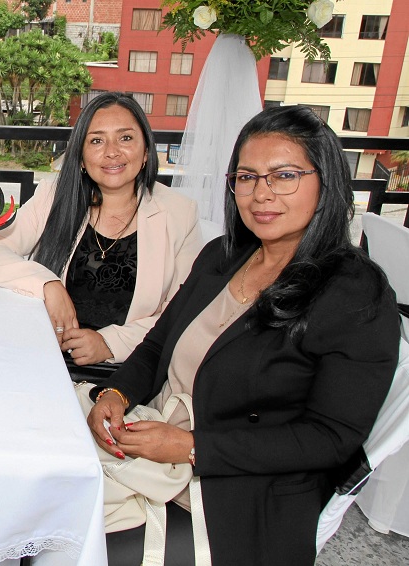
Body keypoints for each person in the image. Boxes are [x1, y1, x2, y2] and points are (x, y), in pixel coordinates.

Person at [86, 105, 401, 565]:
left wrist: (192, 448)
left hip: (241, 493)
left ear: (326, 182)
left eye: (284, 175)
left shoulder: (354, 294)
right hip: (154, 441)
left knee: (74, 541)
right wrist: (114, 392)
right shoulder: (224, 255)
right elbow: (158, 345)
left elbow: (330, 438)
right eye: (247, 177)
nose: (261, 194)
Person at [0, 92, 202, 373]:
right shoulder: (55, 197)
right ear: (80, 157)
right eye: (96, 140)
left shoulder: (179, 213)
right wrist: (47, 284)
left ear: (146, 152)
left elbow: (182, 313)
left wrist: (110, 342)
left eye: (125, 138)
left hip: (125, 371)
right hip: (44, 359)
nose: (112, 151)